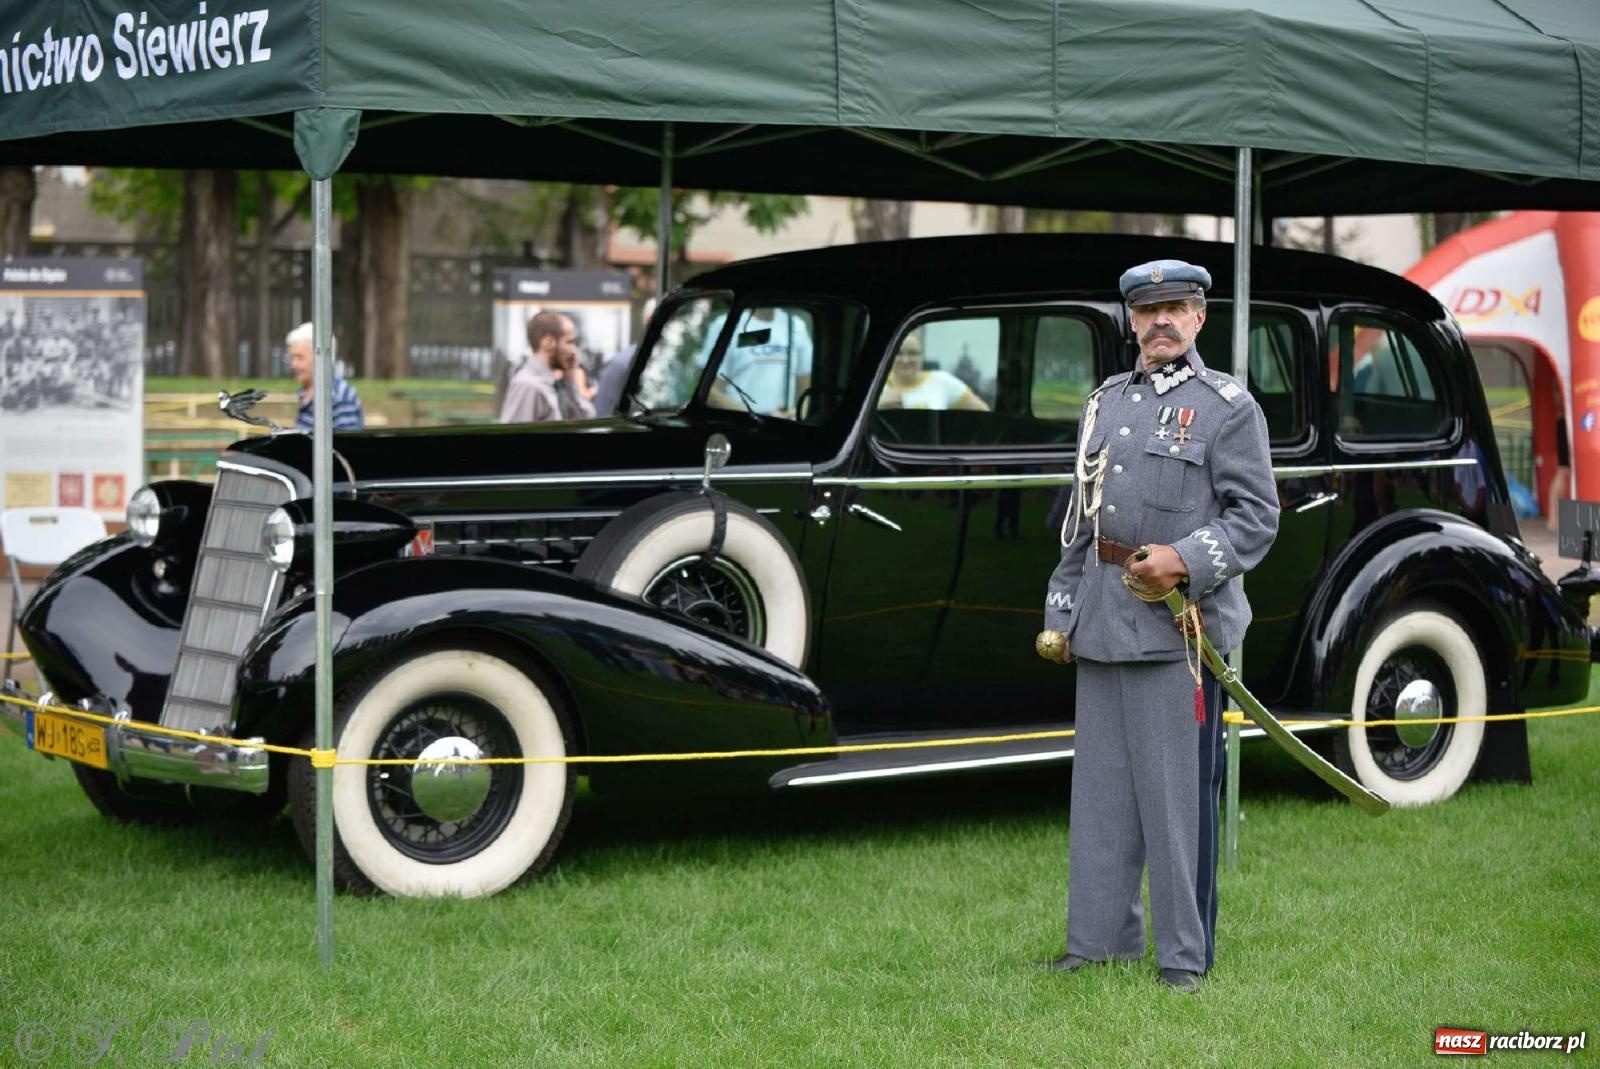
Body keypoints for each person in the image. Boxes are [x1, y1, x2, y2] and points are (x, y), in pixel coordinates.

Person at [1036, 259, 1279, 993]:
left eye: (1176, 308)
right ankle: (1096, 943)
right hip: (1105, 625)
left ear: (1200, 317)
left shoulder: (1228, 407)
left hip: (1181, 635)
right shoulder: (1105, 402)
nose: (1160, 322)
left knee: (1177, 810)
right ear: (1131, 320)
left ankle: (1183, 957)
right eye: (1147, 311)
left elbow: (1256, 518)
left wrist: (1184, 559)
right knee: (1102, 800)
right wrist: (1063, 612)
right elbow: (1082, 520)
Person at [705, 306, 813, 416]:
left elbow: (807, 386)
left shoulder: (795, 325)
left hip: (781, 423)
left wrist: (799, 416)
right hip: (737, 422)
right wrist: (756, 418)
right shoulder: (726, 325)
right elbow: (709, 391)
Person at [499, 311, 595, 423]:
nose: (574, 351)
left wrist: (571, 380)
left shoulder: (554, 384)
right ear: (548, 342)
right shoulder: (528, 386)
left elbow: (586, 421)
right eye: (569, 342)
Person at [875, 332, 989, 411]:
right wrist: (876, 406)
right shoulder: (875, 384)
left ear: (922, 356)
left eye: (912, 353)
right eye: (899, 353)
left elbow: (982, 411)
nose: (905, 360)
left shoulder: (942, 382)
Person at [287, 322, 365, 431]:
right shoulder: (306, 393)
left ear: (321, 358)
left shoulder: (338, 396)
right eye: (292, 358)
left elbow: (348, 440)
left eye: (300, 357)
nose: (293, 364)